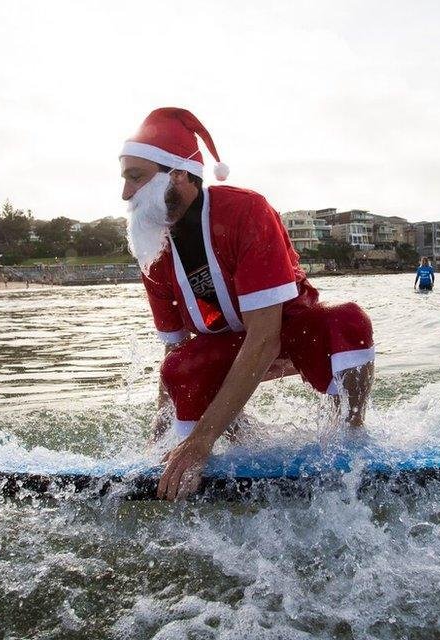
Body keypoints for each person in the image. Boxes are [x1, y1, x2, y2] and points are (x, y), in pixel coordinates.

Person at [120, 107, 375, 501]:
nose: (125, 193)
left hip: (290, 332)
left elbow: (265, 337)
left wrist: (200, 442)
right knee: (181, 366)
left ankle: (351, 434)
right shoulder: (153, 248)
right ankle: (246, 446)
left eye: (136, 178)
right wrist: (155, 447)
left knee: (349, 321)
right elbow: (174, 353)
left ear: (180, 174)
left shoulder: (245, 212)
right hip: (226, 346)